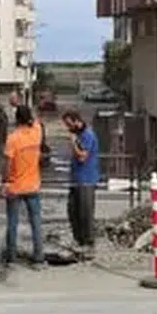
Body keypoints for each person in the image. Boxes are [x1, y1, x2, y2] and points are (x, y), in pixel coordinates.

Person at [1, 104, 45, 268]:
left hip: (15, 186)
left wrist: (4, 182)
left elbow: (7, 164)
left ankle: (11, 259)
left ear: (16, 119)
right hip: (33, 186)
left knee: (12, 222)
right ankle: (39, 258)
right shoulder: (36, 133)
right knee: (36, 222)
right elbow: (36, 121)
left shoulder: (13, 139)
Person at [63, 109, 100, 257]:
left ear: (76, 121)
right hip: (76, 180)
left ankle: (88, 242)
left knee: (85, 212)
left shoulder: (87, 135)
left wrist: (73, 143)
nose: (68, 128)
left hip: (86, 179)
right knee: (73, 211)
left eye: (69, 124)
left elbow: (82, 157)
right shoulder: (79, 135)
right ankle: (78, 239)